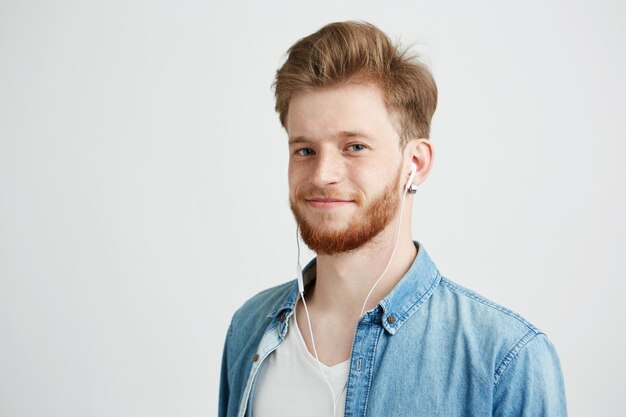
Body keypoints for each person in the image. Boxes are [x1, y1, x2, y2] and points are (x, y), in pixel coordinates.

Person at [218, 21, 567, 417]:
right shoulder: (249, 330)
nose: (322, 174)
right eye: (305, 150)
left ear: (414, 164)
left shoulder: (506, 359)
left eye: (354, 146)